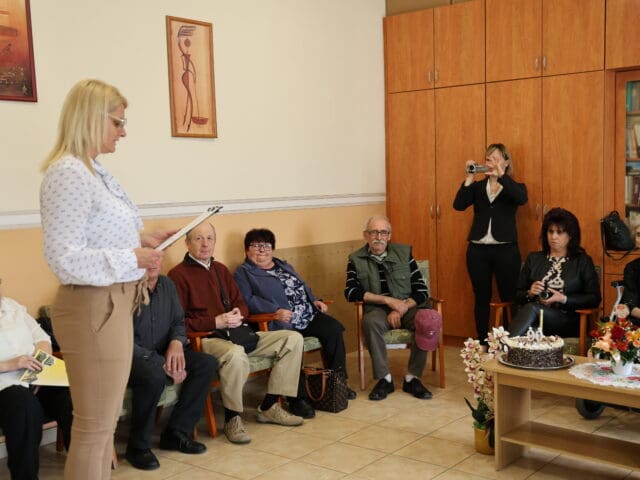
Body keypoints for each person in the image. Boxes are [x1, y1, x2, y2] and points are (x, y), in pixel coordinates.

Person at [39, 79, 174, 480]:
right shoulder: (68, 173)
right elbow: (64, 259)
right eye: (118, 122)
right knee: (94, 426)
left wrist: (142, 241)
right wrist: (132, 257)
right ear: (91, 118)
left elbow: (95, 238)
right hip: (92, 306)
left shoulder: (93, 170)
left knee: (104, 423)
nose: (123, 132)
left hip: (112, 302)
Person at [168, 222, 305, 445]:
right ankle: (232, 418)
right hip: (206, 338)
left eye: (210, 238)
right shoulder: (177, 275)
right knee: (235, 354)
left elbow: (241, 303)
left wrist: (237, 314)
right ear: (187, 243)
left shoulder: (220, 269)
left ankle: (269, 405)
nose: (205, 244)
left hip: (237, 332)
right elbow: (178, 322)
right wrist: (215, 321)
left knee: (292, 338)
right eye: (198, 239)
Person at [234, 228, 357, 414]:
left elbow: (302, 286)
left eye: (266, 245)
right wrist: (274, 311)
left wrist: (314, 300)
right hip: (282, 321)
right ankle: (297, 398)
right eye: (256, 245)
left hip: (306, 315)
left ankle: (337, 383)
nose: (262, 250)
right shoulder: (244, 273)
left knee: (334, 329)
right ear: (246, 249)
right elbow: (247, 300)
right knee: (294, 344)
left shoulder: (282, 264)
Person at [125, 263, 217, 470]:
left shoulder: (167, 284)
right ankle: (138, 447)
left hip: (164, 350)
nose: (153, 262)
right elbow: (120, 339)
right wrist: (160, 362)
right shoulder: (124, 288)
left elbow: (178, 322)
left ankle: (176, 432)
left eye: (158, 256)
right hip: (131, 357)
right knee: (153, 375)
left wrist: (176, 343)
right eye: (148, 255)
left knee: (206, 364)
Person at [344, 215, 434, 401]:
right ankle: (384, 379)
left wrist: (400, 307)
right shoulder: (355, 259)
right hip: (377, 309)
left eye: (383, 232)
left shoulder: (404, 254)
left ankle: (413, 378)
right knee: (369, 322)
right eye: (374, 232)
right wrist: (387, 301)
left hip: (407, 307)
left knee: (427, 320)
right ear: (365, 235)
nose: (379, 237)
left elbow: (421, 290)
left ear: (389, 236)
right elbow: (351, 292)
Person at [453, 143, 528, 344]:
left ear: (506, 162)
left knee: (508, 297)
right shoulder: (477, 187)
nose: (491, 162)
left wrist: (501, 176)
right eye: (488, 159)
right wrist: (469, 177)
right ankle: (482, 341)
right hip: (478, 250)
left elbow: (522, 199)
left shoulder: (515, 186)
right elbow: (458, 205)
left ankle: (509, 341)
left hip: (506, 250)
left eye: (496, 158)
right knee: (481, 297)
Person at [0, 282, 73, 480]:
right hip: (5, 385)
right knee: (24, 406)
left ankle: (82, 468)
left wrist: (41, 365)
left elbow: (42, 338)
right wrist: (11, 364)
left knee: (69, 396)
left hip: (33, 376)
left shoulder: (12, 306)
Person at [509, 208, 601, 337]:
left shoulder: (582, 261)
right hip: (535, 319)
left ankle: (503, 343)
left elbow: (594, 298)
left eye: (559, 232)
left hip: (567, 320)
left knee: (532, 309)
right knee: (531, 321)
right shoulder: (533, 258)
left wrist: (563, 299)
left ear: (570, 235)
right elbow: (516, 295)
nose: (553, 237)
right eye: (550, 231)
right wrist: (529, 293)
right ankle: (510, 344)